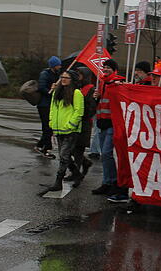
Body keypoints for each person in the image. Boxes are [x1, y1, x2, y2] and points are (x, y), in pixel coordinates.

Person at [91, 59, 126, 198]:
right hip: (102, 122)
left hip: (112, 123)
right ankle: (107, 182)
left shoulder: (117, 83)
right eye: (104, 67)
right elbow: (100, 103)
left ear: (114, 69)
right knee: (104, 156)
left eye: (108, 67)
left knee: (106, 153)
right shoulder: (102, 83)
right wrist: (96, 97)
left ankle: (113, 182)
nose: (105, 69)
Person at [46, 71, 84, 191]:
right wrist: (51, 122)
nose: (63, 79)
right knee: (65, 156)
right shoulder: (57, 92)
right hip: (58, 129)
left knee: (63, 156)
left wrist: (70, 125)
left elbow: (79, 111)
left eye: (66, 78)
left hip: (70, 130)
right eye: (62, 77)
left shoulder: (76, 93)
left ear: (72, 79)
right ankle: (77, 174)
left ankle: (58, 181)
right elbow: (52, 108)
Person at [67, 67, 96, 187]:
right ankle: (84, 163)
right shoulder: (77, 88)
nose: (78, 76)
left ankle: (76, 174)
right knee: (71, 148)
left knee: (78, 149)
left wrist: (82, 115)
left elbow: (91, 107)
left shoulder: (90, 89)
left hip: (84, 123)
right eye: (77, 74)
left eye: (80, 74)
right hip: (75, 121)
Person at [35, 56, 62, 158]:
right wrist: (51, 91)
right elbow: (42, 87)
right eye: (58, 65)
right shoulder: (45, 74)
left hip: (51, 104)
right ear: (53, 66)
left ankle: (40, 145)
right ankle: (46, 149)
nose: (60, 66)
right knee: (47, 127)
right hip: (44, 105)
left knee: (49, 127)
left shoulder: (57, 74)